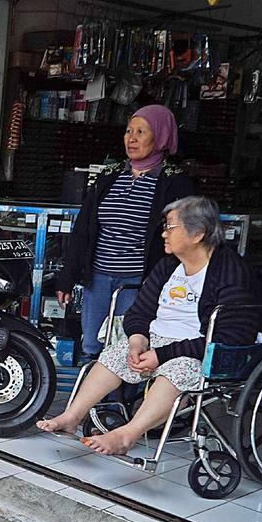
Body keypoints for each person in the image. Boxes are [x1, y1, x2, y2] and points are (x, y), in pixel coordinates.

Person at [38, 195, 261, 455]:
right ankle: (72, 417)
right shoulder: (169, 265)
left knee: (177, 371)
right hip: (156, 342)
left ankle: (126, 435)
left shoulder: (230, 270)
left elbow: (231, 335)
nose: (164, 234)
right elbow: (139, 311)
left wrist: (162, 355)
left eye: (170, 227)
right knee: (115, 354)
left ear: (198, 233)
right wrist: (138, 340)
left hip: (202, 350)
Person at [54, 105, 197, 362]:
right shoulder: (109, 176)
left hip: (138, 281)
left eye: (141, 132)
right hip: (97, 277)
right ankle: (94, 400)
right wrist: (67, 277)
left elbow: (182, 238)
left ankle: (119, 402)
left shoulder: (175, 183)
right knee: (91, 343)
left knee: (127, 345)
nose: (131, 138)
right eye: (129, 131)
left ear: (161, 137)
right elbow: (83, 230)